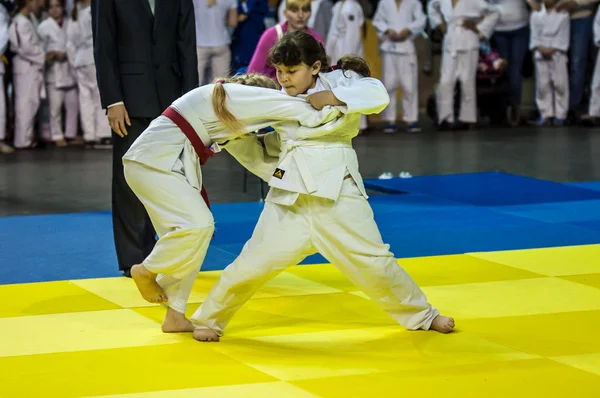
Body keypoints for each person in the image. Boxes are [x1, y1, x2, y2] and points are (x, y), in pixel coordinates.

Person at [191, 31, 455, 342]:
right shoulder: (277, 100)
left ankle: (423, 315)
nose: (284, 79)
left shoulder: (342, 81)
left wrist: (331, 98)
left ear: (315, 67)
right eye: (279, 72)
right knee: (251, 264)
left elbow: (377, 95)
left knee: (375, 263)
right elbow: (259, 139)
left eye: (292, 71)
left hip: (339, 193)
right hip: (291, 196)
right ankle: (209, 319)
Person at [124, 74, 341, 332]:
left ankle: (175, 315)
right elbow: (300, 108)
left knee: (190, 243)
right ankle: (145, 270)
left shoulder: (228, 120)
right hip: (153, 162)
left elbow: (261, 162)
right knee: (199, 226)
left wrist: (289, 175)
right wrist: (341, 100)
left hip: (161, 164)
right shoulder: (233, 95)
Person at [91, 0, 198, 277]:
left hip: (172, 97)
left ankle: (169, 253)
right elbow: (104, 45)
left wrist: (194, 101)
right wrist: (113, 100)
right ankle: (134, 258)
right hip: (129, 99)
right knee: (129, 178)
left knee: (173, 175)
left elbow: (186, 44)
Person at [428, 0, 500, 130]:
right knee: (445, 81)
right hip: (450, 40)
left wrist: (480, 28)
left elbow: (494, 12)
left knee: (467, 81)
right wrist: (439, 24)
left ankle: (467, 118)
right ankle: (445, 118)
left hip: (469, 40)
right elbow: (431, 7)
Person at [373, 0, 426, 133]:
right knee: (389, 85)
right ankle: (390, 120)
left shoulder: (413, 2)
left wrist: (409, 29)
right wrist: (387, 30)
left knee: (409, 86)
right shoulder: (384, 3)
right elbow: (377, 20)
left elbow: (421, 20)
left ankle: (411, 119)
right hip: (389, 48)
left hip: (407, 47)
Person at [247, 0, 323, 81]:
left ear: (310, 13)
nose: (300, 15)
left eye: (305, 10)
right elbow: (253, 72)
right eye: (294, 10)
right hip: (274, 90)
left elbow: (322, 73)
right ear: (285, 12)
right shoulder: (271, 35)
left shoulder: (317, 39)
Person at [38, 0, 78, 147]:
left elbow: (75, 43)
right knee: (54, 108)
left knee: (72, 106)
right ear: (47, 10)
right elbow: (39, 48)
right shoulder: (43, 27)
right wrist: (50, 55)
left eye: (57, 6)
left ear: (62, 7)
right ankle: (57, 135)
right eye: (51, 7)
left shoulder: (70, 23)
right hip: (53, 72)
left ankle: (70, 134)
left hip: (70, 68)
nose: (55, 10)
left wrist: (67, 54)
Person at [8, 0, 45, 149]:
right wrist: (42, 56)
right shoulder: (20, 22)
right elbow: (25, 48)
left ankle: (27, 138)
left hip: (32, 67)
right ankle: (22, 141)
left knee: (32, 103)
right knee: (25, 105)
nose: (39, 3)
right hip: (26, 68)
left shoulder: (28, 20)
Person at [530, 0, 570, 125]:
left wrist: (553, 48)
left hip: (557, 53)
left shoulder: (563, 15)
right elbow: (534, 35)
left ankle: (560, 114)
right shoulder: (536, 14)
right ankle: (545, 113)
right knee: (542, 85)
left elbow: (564, 35)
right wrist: (540, 47)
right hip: (541, 52)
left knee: (560, 84)